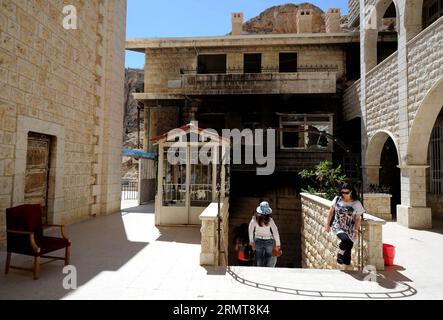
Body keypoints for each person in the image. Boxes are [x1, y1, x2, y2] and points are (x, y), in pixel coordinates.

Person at [325, 182, 365, 266]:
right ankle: (340, 252)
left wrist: (355, 231)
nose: (344, 194)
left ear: (351, 192)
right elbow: (331, 212)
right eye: (342, 192)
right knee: (345, 240)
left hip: (350, 228)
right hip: (338, 226)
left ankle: (347, 267)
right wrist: (327, 225)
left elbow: (358, 218)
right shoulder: (337, 199)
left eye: (346, 192)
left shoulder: (356, 203)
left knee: (349, 248)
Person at [249, 201, 281, 267]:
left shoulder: (254, 219)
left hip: (258, 240)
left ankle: (260, 273)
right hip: (268, 241)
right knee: (269, 258)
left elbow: (250, 230)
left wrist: (251, 241)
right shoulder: (270, 220)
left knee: (259, 259)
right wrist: (278, 244)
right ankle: (268, 272)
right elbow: (275, 232)